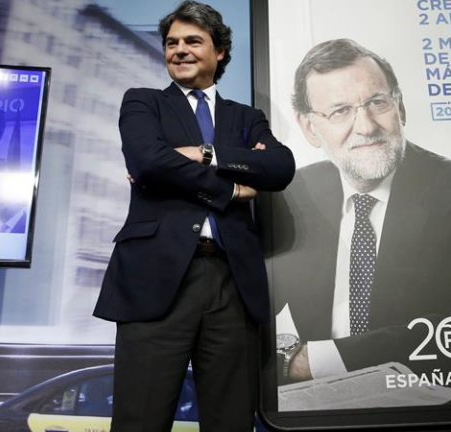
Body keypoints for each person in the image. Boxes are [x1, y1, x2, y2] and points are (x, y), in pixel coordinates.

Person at [93, 2, 295, 432]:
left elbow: (279, 168)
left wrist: (205, 153)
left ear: (219, 51)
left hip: (232, 282)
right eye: (172, 43)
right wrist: (231, 187)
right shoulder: (143, 102)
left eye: (192, 41)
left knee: (231, 422)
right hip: (155, 278)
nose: (179, 50)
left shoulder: (246, 117)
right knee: (139, 421)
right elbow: (148, 161)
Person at [269, 39, 451, 383]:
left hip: (426, 389)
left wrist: (317, 361)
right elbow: (250, 299)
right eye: (340, 111)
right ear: (311, 128)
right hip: (318, 394)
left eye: (377, 102)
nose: (366, 126)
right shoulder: (293, 193)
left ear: (399, 107)